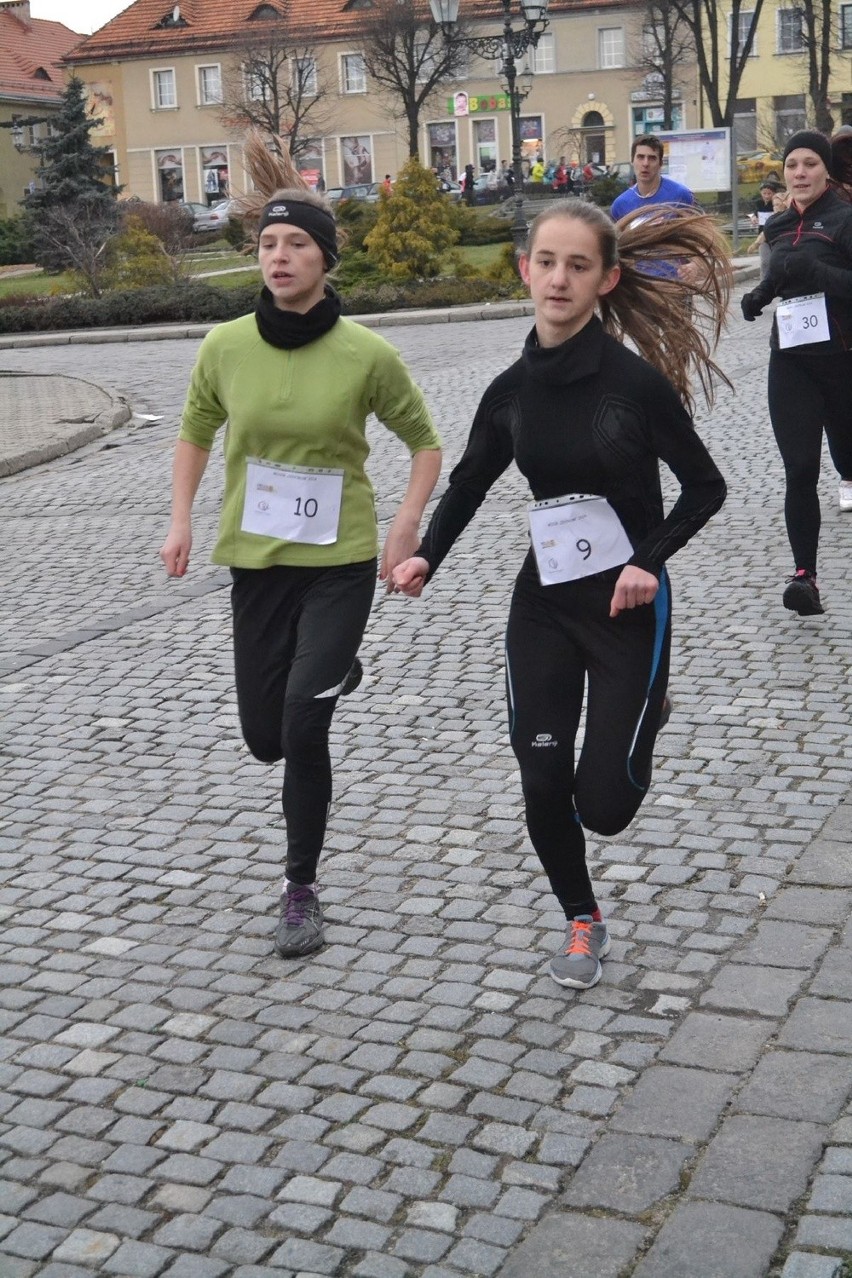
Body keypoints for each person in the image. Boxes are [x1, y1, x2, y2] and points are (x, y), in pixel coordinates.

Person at [392, 200, 731, 991]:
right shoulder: (510, 392)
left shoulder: (634, 385)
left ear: (606, 279)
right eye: (546, 261)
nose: (559, 278)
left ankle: (647, 710)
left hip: (626, 609)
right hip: (542, 604)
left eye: (578, 265)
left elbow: (705, 488)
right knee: (542, 777)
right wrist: (426, 559)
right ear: (525, 269)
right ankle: (582, 919)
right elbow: (471, 481)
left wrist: (648, 561)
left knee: (604, 805)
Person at [159, 135, 442, 958]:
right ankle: (334, 671)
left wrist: (404, 524)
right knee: (263, 735)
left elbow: (425, 442)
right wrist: (180, 520)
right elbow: (193, 433)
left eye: (297, 245)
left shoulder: (366, 354)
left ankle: (299, 890)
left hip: (341, 562)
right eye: (269, 245)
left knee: (304, 725)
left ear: (325, 260)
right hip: (257, 562)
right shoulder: (224, 347)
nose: (279, 257)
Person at [741, 130, 852, 616]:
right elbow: (779, 277)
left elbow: (824, 277)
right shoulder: (780, 225)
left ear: (826, 170)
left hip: (842, 361)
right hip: (791, 361)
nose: (800, 173)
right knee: (800, 468)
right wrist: (757, 298)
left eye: (810, 164)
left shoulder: (846, 220)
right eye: (792, 165)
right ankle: (804, 577)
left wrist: (821, 273)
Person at [610, 134, 699, 285]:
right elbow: (615, 249)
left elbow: (698, 238)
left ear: (660, 164)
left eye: (652, 158)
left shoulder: (680, 195)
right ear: (632, 161)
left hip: (675, 285)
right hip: (640, 288)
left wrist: (695, 266)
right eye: (640, 157)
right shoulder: (620, 205)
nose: (645, 164)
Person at [746, 179, 783, 279]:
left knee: (776, 261)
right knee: (765, 261)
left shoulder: (777, 203)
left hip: (777, 237)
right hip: (763, 237)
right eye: (764, 193)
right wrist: (753, 217)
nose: (766, 196)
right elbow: (755, 213)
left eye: (769, 193)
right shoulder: (759, 203)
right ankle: (764, 283)